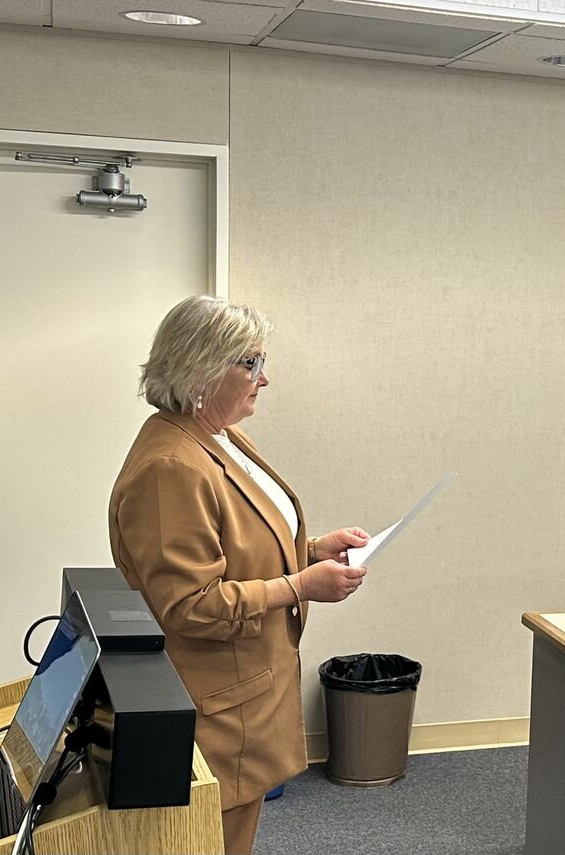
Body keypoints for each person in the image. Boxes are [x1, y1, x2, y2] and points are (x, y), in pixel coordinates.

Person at [108, 296, 370, 854]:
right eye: (248, 363)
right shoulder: (171, 467)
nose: (264, 378)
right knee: (215, 842)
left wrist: (315, 549)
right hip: (217, 705)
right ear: (201, 368)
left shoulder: (217, 435)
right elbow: (189, 605)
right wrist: (301, 586)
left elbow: (239, 544)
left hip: (245, 688)